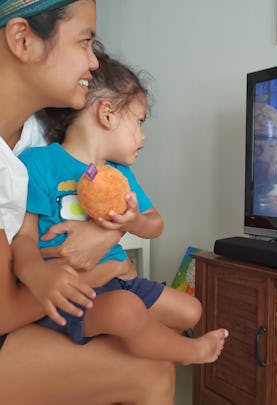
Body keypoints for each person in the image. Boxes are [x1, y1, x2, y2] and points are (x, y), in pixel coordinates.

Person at [0, 1, 172, 403]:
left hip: (34, 307)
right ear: (22, 39)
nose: (95, 63)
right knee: (153, 373)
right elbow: (5, 310)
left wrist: (102, 233)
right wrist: (102, 267)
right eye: (85, 42)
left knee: (150, 345)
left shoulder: (41, 139)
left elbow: (137, 215)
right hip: (12, 316)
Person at [13, 46, 229, 361]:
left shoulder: (119, 174)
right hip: (74, 289)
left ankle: (127, 333)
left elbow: (155, 223)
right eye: (139, 122)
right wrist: (36, 272)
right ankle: (191, 351)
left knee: (191, 310)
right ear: (107, 114)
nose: (142, 137)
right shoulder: (40, 163)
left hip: (119, 278)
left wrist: (131, 222)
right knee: (127, 311)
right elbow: (25, 237)